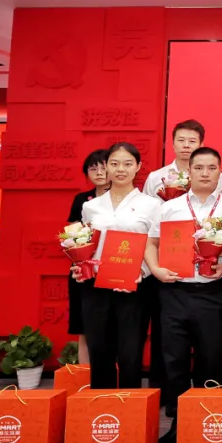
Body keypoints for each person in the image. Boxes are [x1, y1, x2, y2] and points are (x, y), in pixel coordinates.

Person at [144, 147, 222, 443]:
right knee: (175, 360)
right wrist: (156, 269)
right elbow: (151, 243)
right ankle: (178, 424)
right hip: (175, 292)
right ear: (189, 172)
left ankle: (209, 422)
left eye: (212, 168)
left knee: (211, 359)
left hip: (214, 293)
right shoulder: (170, 207)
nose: (205, 173)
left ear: (220, 172)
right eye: (199, 168)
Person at [74, 143, 160, 390]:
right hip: (96, 286)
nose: (120, 169)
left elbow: (156, 245)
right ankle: (102, 405)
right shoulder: (91, 206)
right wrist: (81, 265)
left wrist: (140, 272)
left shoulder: (152, 205)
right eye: (114, 164)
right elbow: (85, 243)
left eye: (127, 164)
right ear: (106, 167)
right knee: (99, 351)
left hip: (135, 286)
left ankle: (131, 407)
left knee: (131, 352)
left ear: (138, 167)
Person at [67, 149, 109, 365]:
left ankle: (111, 375)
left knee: (112, 328)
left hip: (113, 270)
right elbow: (73, 235)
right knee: (85, 328)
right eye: (93, 169)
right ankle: (85, 376)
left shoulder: (127, 199)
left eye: (104, 167)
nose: (99, 172)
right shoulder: (82, 200)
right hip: (85, 271)